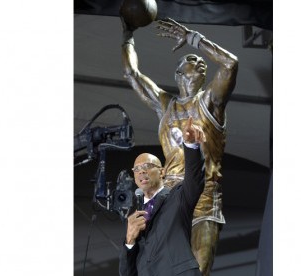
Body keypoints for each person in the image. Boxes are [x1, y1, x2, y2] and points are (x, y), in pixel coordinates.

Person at [121, 17, 238, 275]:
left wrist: (194, 40)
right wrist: (127, 34)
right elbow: (131, 74)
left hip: (204, 198)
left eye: (201, 61)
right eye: (191, 59)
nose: (199, 61)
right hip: (170, 199)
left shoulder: (210, 102)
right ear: (178, 73)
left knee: (196, 270)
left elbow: (230, 63)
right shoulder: (166, 105)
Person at [119, 117, 206, 276]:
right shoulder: (135, 216)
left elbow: (195, 179)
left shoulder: (178, 197)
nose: (142, 171)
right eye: (137, 169)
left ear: (162, 172)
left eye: (147, 166)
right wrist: (129, 241)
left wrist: (191, 146)